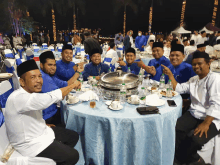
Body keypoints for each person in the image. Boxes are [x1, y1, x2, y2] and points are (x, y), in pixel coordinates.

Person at [4, 60, 80, 165]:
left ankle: (59, 157)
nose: (39, 80)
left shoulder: (30, 93)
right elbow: (48, 99)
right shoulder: (19, 97)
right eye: (32, 77)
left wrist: (43, 124)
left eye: (39, 76)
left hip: (41, 132)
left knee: (73, 136)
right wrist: (72, 85)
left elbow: (28, 117)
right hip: (30, 145)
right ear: (22, 82)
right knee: (73, 156)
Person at [162, 51, 220, 165]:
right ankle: (178, 158)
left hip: (211, 117)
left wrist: (206, 124)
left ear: (208, 63)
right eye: (194, 64)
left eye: (199, 64)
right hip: (194, 113)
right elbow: (178, 88)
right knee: (177, 128)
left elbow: (216, 104)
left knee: (195, 139)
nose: (196, 67)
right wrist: (170, 75)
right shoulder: (194, 79)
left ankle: (195, 160)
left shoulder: (215, 79)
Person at [39, 51, 83, 125]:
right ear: (41, 65)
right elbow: (60, 96)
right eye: (49, 65)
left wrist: (78, 72)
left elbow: (66, 84)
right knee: (76, 119)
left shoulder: (49, 75)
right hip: (48, 117)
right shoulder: (42, 77)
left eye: (54, 65)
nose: (53, 68)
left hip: (53, 111)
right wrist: (73, 85)